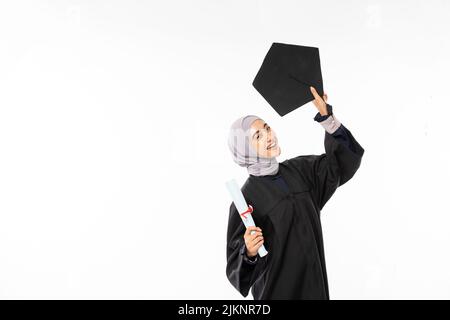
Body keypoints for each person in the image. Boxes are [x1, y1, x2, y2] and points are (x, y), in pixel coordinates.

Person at [225, 87, 365, 299]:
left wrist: (328, 119)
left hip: (316, 291)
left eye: (267, 128)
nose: (269, 136)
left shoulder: (302, 170)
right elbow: (238, 273)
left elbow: (341, 165)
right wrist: (249, 252)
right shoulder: (246, 200)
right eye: (258, 136)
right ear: (244, 148)